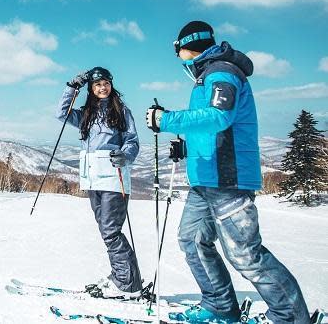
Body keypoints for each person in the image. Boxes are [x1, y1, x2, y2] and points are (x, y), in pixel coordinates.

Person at [145, 21, 310, 324]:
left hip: (228, 180)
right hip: (205, 179)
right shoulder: (206, 75)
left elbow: (219, 116)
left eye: (177, 50)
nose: (177, 56)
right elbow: (211, 128)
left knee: (245, 254)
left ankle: (291, 317)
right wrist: (188, 148)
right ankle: (220, 305)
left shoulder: (222, 71)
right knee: (192, 239)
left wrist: (165, 120)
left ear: (186, 47)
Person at [57, 66, 142, 298]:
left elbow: (132, 141)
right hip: (92, 179)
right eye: (97, 85)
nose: (102, 87)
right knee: (107, 231)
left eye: (105, 83)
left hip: (114, 179)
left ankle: (127, 284)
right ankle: (124, 277)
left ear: (111, 85)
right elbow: (61, 113)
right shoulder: (87, 113)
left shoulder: (122, 111)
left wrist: (126, 155)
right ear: (91, 89)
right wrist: (72, 87)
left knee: (110, 231)